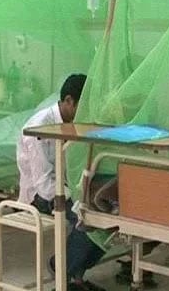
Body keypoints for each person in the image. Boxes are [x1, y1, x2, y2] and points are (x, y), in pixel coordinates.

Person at [17, 74, 107, 291]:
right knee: (87, 219)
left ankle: (76, 276)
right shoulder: (38, 129)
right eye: (81, 106)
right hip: (42, 196)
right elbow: (44, 184)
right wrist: (75, 197)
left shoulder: (73, 122)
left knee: (109, 219)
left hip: (66, 188)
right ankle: (62, 270)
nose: (84, 113)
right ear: (68, 101)